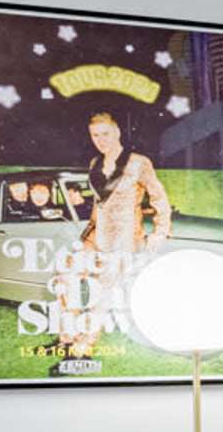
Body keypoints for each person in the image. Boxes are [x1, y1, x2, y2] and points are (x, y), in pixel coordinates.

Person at [54, 107, 174, 361]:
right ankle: (67, 337)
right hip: (94, 236)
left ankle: (83, 348)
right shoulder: (94, 163)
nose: (100, 140)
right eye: (95, 135)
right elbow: (100, 202)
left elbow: (159, 197)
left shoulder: (139, 162)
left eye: (105, 134)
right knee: (66, 277)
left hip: (123, 238)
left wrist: (160, 231)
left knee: (101, 292)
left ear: (117, 131)